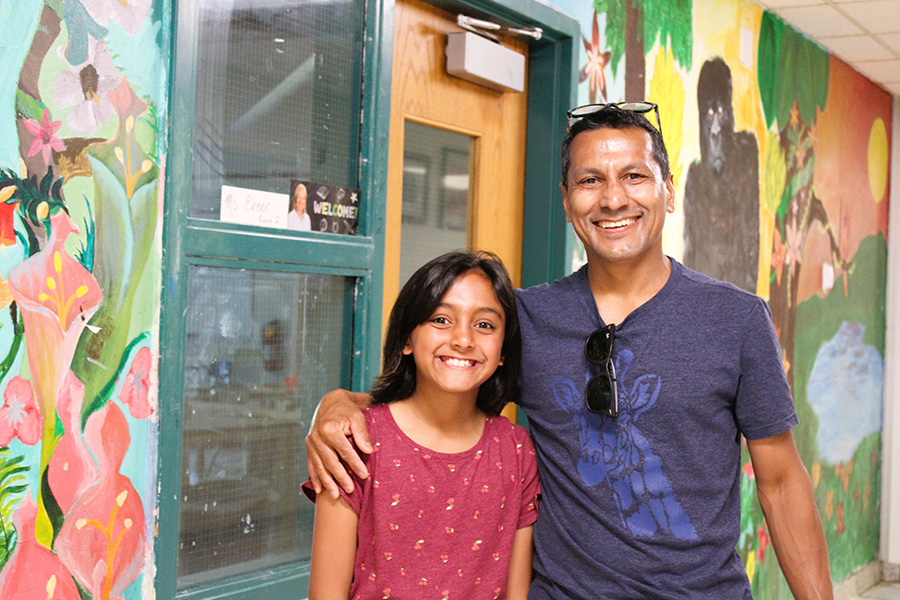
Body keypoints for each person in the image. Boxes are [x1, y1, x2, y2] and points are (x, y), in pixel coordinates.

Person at [306, 104, 833, 599]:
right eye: (590, 181)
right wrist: (337, 405)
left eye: (634, 176)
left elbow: (782, 483)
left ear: (668, 191)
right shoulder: (524, 320)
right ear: (566, 200)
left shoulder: (736, 319)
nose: (612, 199)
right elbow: (433, 395)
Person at [304, 251, 540, 600]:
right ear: (406, 339)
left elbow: (516, 594)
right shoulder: (355, 441)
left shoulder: (516, 448)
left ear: (504, 349)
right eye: (441, 320)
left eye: (485, 324)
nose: (463, 339)